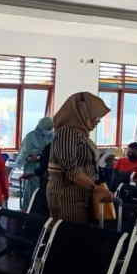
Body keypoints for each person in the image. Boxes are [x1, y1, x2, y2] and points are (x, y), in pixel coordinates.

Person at [47, 92, 113, 224]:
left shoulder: (81, 134)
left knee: (82, 233)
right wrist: (96, 188)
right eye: (95, 116)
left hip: (81, 194)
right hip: (68, 196)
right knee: (72, 233)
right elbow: (71, 169)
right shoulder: (67, 132)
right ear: (83, 113)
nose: (98, 121)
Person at [16, 117, 54, 211]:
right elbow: (23, 155)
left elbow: (53, 154)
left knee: (45, 197)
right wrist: (30, 158)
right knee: (31, 195)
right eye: (47, 129)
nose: (48, 131)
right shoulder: (30, 137)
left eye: (50, 129)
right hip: (31, 172)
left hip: (47, 172)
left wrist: (39, 157)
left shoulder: (54, 137)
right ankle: (27, 214)